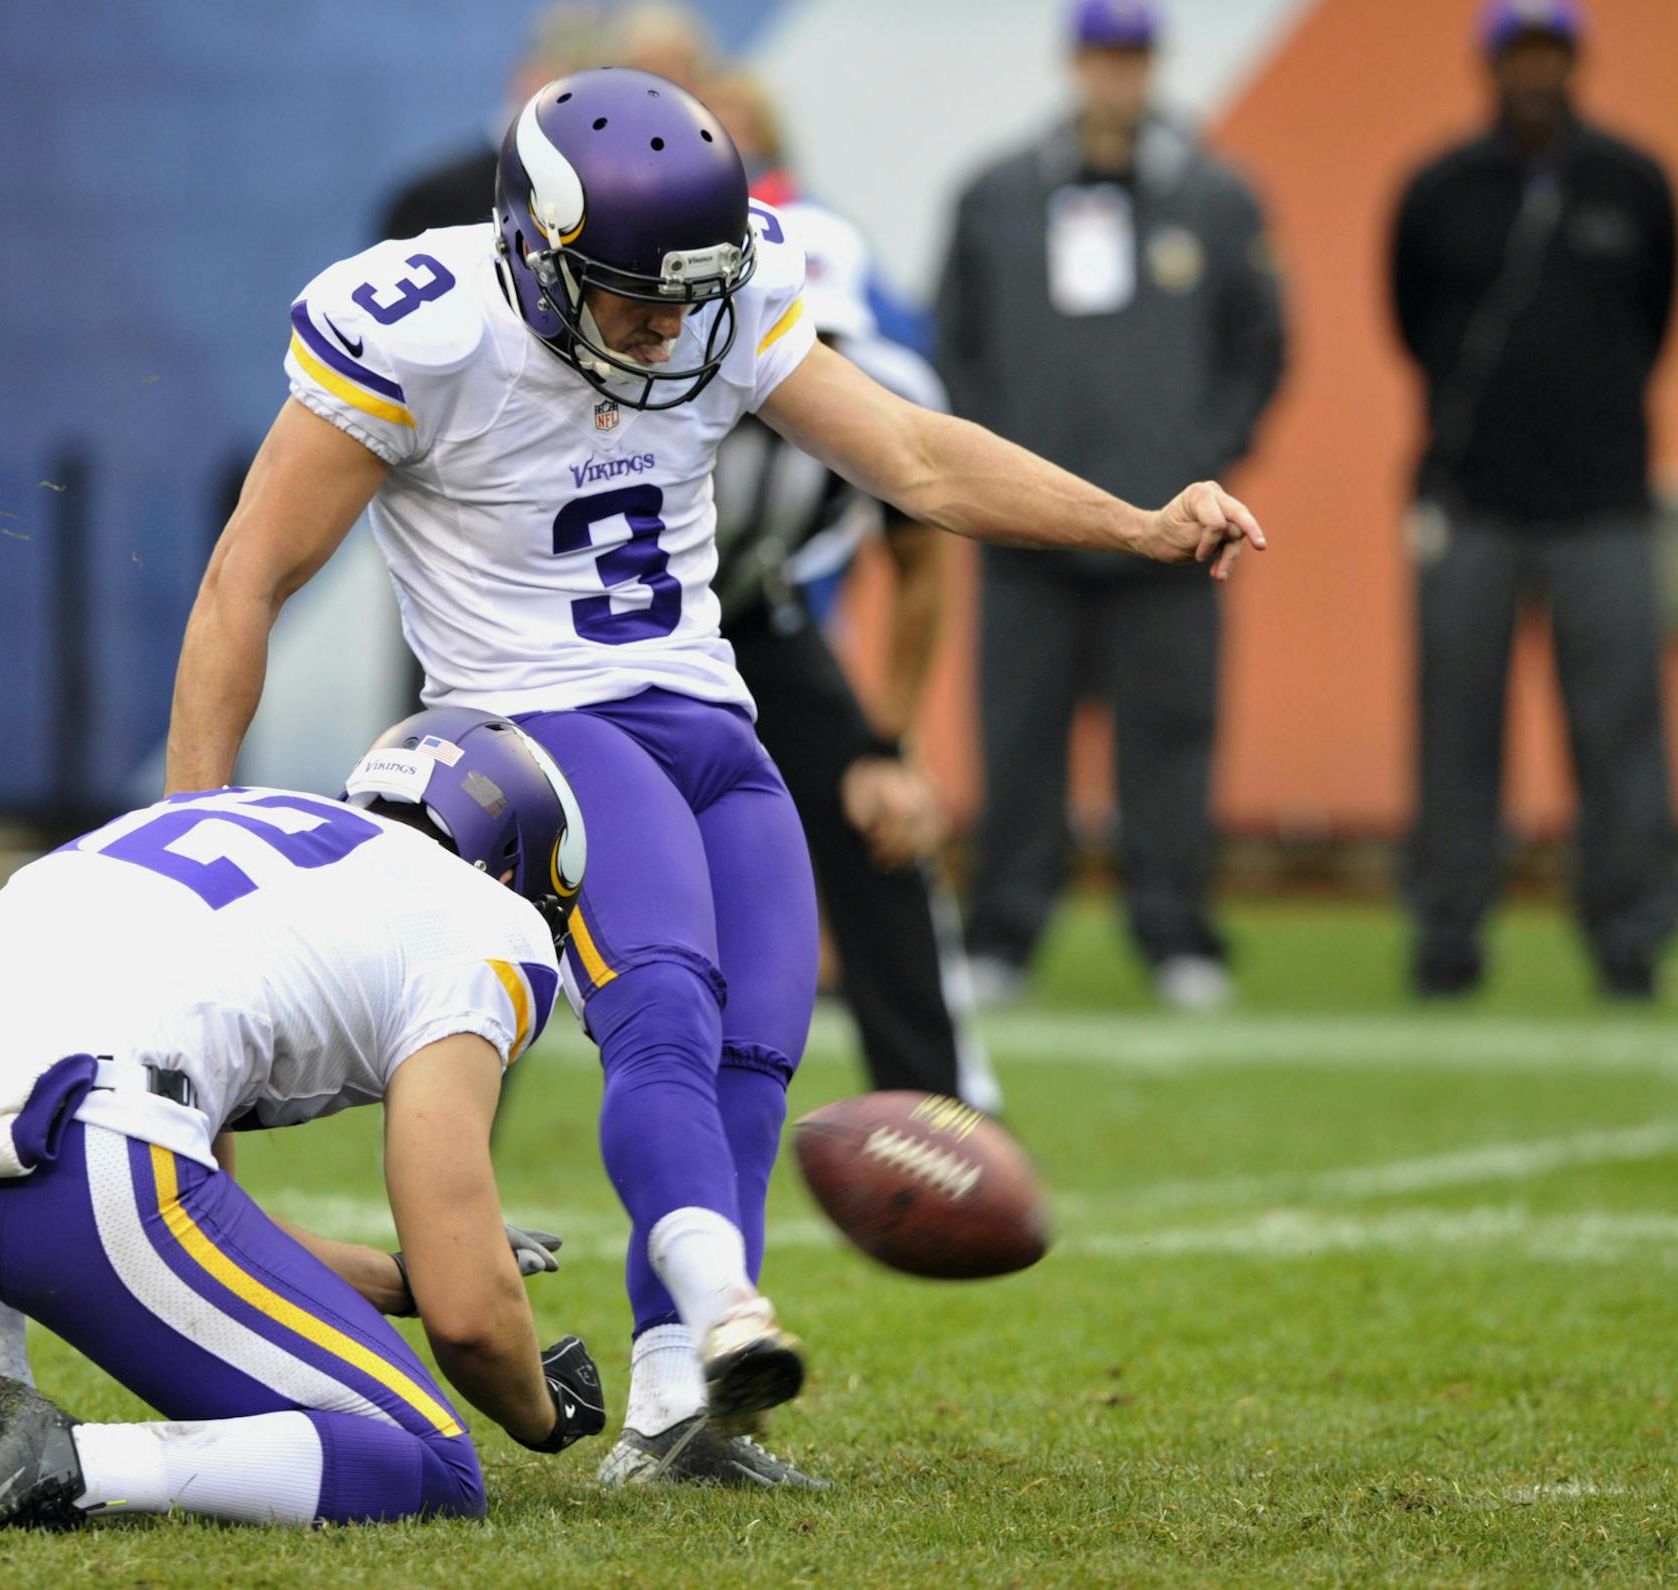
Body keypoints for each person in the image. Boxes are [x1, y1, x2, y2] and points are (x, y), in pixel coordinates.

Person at [164, 67, 1264, 1488]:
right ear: (543, 255)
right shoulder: (426, 326)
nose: (673, 325)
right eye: (636, 296)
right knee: (664, 1000)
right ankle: (727, 1301)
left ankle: (676, 1404)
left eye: (692, 293)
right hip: (537, 724)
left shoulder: (724, 291)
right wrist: (194, 829)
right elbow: (247, 576)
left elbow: (918, 461)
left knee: (759, 1037)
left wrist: (1139, 523)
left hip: (708, 716)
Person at [0, 709, 608, 1531]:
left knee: (15, 1049)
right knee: (431, 1465)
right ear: (515, 872)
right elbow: (470, 1321)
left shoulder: (212, 819)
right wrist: (544, 1409)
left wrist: (393, 1280)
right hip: (62, 1161)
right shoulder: (484, 922)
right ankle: (66, 1460)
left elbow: (205, 1217)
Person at [936, 0, 1286, 1013]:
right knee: (1017, 742)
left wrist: (1201, 456)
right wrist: (998, 471)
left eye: (1133, 55)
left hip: (1170, 539)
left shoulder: (1217, 199)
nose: (1118, 75)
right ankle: (1002, 938)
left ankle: (1178, 935)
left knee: (1172, 741)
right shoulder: (997, 194)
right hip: (1026, 533)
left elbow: (1261, 349)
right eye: (1103, 54)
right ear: (1074, 61)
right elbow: (954, 344)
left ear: (1154, 63)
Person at [1392, 0, 1678, 1000]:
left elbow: (1655, 322)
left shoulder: (1635, 186)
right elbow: (1409, 323)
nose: (1536, 74)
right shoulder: (1438, 191)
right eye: (1519, 54)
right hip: (1470, 502)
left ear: (1576, 61)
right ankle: (1447, 941)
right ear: (1491, 65)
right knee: (1455, 731)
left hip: (1604, 503)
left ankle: (1631, 942)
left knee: (1620, 730)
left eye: (1551, 54)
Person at [712, 194, 1000, 1112]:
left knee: (883, 823)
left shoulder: (893, 393)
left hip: (757, 617)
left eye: (826, 342)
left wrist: (888, 746)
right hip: (608, 632)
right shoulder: (661, 384)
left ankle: (939, 1110)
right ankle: (448, 1116)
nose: (807, 368)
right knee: (522, 847)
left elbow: (922, 566)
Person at [379, 6, 606, 241]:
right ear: (527, 74)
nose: (573, 98)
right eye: (564, 74)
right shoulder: (431, 201)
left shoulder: (610, 199)